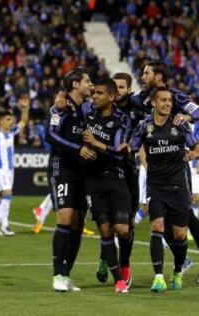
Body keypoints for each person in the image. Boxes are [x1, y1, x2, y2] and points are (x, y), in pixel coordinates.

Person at [128, 87, 199, 292]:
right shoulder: (144, 126)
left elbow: (196, 147)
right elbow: (132, 146)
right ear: (153, 103)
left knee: (179, 235)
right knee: (157, 227)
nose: (168, 103)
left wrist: (193, 154)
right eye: (163, 100)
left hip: (178, 186)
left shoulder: (180, 124)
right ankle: (158, 276)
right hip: (156, 185)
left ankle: (177, 270)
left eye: (169, 100)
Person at [46, 68, 96, 292]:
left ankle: (66, 275)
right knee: (65, 219)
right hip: (62, 168)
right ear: (75, 84)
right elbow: (51, 135)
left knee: (78, 222)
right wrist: (79, 149)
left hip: (82, 171)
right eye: (87, 81)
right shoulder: (61, 106)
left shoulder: (86, 108)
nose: (91, 84)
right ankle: (57, 274)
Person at [83, 78, 132, 293]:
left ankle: (125, 264)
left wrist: (96, 144)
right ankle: (119, 280)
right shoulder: (88, 114)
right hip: (94, 180)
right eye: (93, 93)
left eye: (99, 93)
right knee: (105, 231)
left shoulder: (122, 119)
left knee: (122, 230)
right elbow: (71, 100)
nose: (94, 96)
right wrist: (61, 97)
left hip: (117, 177)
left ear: (111, 97)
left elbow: (119, 153)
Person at [0, 96, 29, 236]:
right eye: (8, 120)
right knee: (8, 195)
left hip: (9, 170)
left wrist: (25, 108)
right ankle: (5, 225)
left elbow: (23, 122)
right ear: (0, 121)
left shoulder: (11, 133)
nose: (11, 122)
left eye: (11, 120)